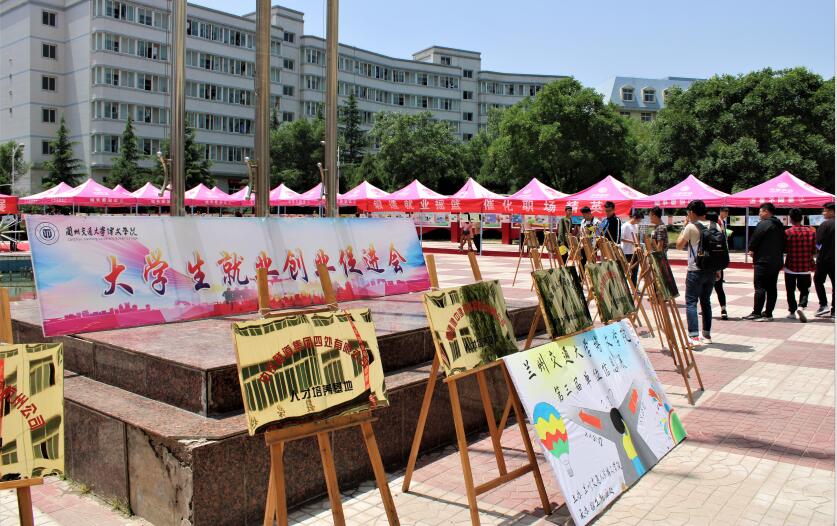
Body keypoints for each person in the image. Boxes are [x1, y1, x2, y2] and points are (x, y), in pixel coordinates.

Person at [675, 200, 716, 345]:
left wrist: (684, 226)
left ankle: (694, 337)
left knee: (691, 302)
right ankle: (707, 335)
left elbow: (679, 245)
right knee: (706, 301)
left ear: (691, 212)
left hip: (695, 270)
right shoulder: (715, 225)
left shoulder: (691, 227)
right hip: (711, 270)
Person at [743, 202, 785, 322]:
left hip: (763, 261)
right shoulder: (779, 224)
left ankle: (756, 312)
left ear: (766, 211)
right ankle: (768, 313)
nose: (759, 214)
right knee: (772, 287)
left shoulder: (764, 224)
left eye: (760, 211)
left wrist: (751, 249)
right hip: (776, 261)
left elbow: (755, 238)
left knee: (760, 286)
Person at [783, 208, 816, 322]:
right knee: (805, 289)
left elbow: (784, 248)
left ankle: (792, 312)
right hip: (806, 265)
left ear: (790, 219)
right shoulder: (811, 231)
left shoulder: (787, 232)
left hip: (790, 266)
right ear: (802, 218)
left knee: (790, 290)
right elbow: (816, 248)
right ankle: (801, 306)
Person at [814, 202, 835, 317]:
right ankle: (835, 310)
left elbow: (818, 243)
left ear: (832, 211)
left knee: (818, 281)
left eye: (825, 211)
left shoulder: (825, 225)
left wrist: (818, 251)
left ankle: (823, 305)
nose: (823, 213)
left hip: (824, 260)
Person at [713, 207, 730, 320]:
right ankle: (723, 309)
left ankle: (705, 309)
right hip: (718, 262)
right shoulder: (719, 225)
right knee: (719, 287)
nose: (727, 213)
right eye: (726, 211)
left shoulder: (704, 233)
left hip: (708, 264)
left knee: (706, 288)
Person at [621, 211, 642, 285]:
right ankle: (624, 285)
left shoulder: (636, 226)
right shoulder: (625, 226)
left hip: (634, 251)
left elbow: (637, 237)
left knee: (635, 270)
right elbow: (621, 238)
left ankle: (634, 286)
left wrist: (638, 245)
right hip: (626, 251)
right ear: (634, 218)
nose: (639, 222)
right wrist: (631, 242)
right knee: (625, 270)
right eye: (638, 220)